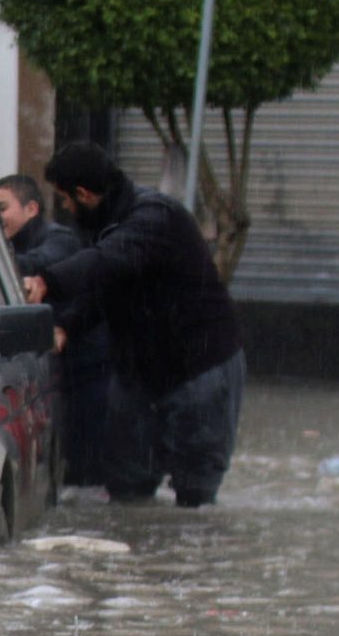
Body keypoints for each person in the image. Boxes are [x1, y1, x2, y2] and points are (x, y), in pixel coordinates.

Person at [19, 142, 244, 508]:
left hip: (199, 367)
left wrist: (46, 282)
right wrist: (67, 327)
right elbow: (106, 289)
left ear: (85, 194)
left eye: (66, 199)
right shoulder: (106, 223)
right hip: (140, 372)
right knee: (125, 483)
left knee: (196, 491)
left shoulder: (153, 217)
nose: (65, 209)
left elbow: (107, 262)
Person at [0, 172, 110, 488]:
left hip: (87, 371)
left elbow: (43, 261)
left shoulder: (59, 238)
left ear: (31, 208)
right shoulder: (7, 244)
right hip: (57, 372)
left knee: (87, 468)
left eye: (3, 208)